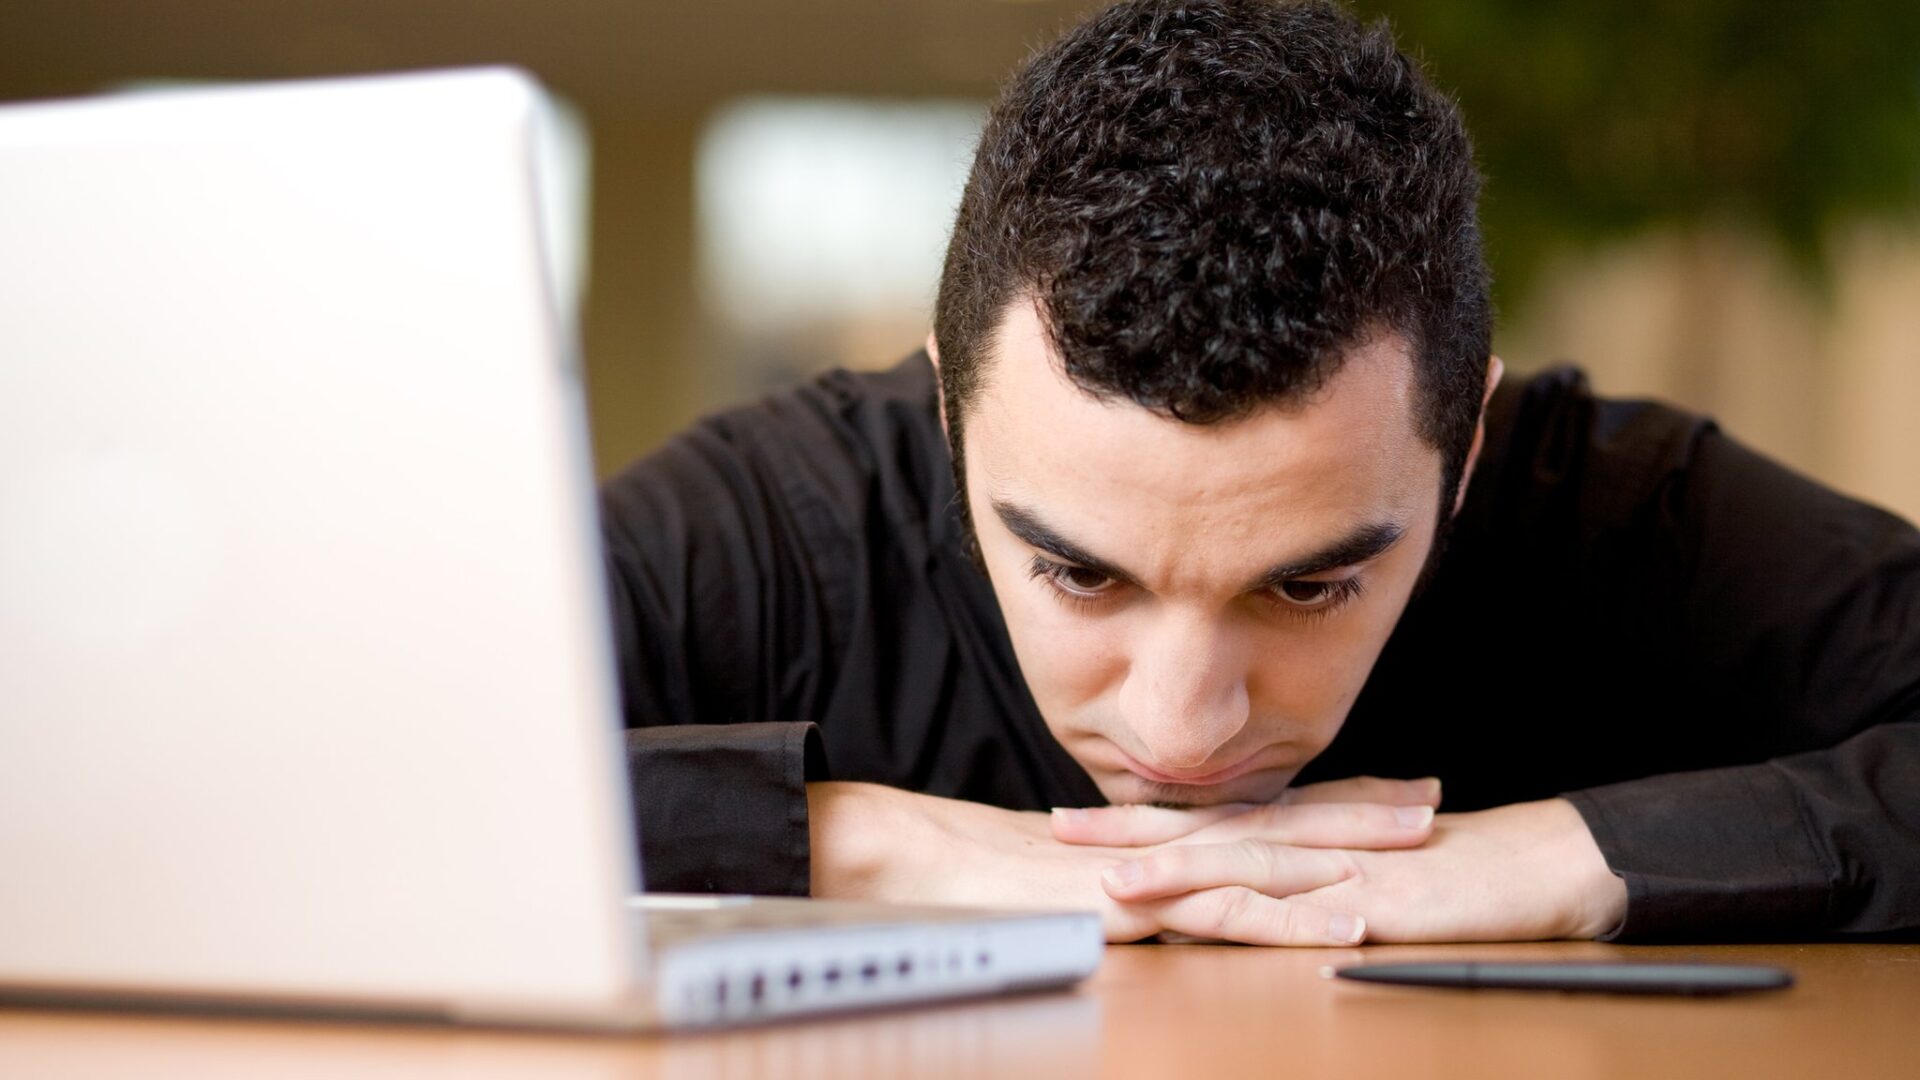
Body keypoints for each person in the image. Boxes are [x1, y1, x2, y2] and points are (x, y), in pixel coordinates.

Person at [598, 0, 1920, 945]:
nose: (1184, 734)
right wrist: (860, 843)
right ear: (950, 411)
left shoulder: (1616, 512)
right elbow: (453, 776)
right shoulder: (774, 526)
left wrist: (1566, 857)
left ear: (1466, 451)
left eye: (1307, 588)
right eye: (1078, 574)